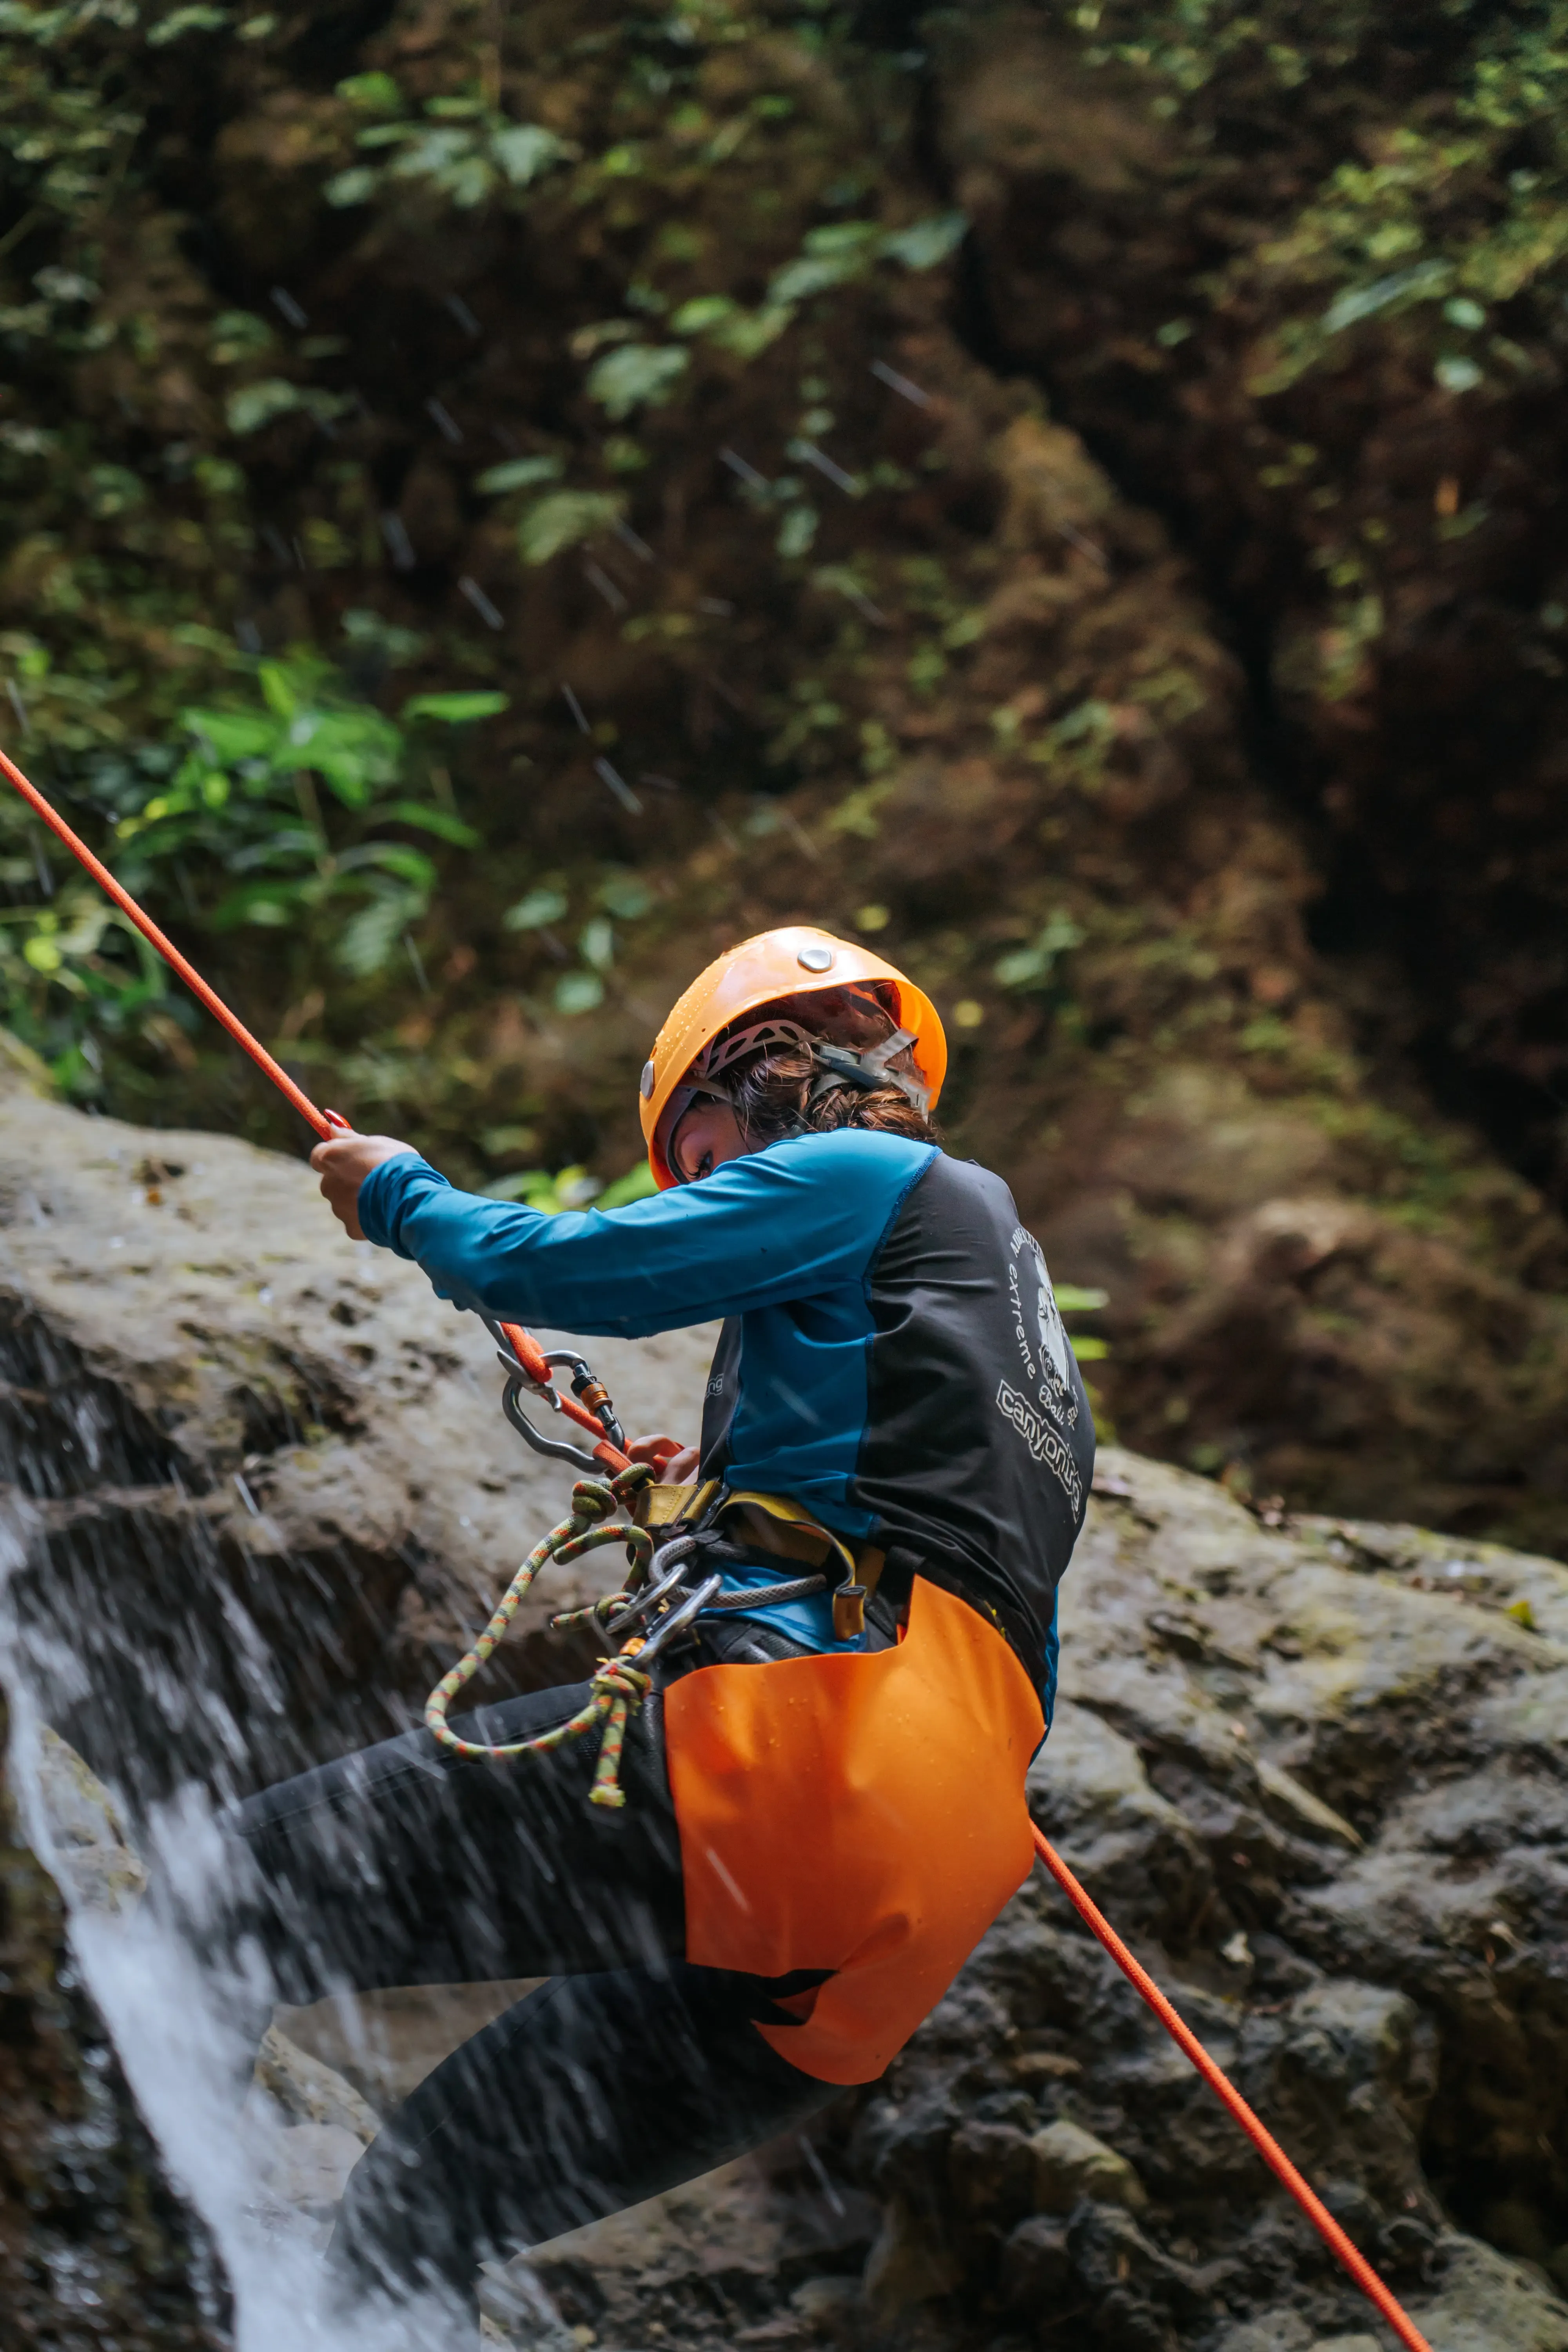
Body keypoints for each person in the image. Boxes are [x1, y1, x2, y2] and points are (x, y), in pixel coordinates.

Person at [208, 926, 1094, 2317]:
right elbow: (919, 1517)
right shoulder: (1022, 1327)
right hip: (903, 1914)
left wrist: (400, 1195)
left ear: (762, 1069)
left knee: (221, 1902)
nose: (721, 1190)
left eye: (706, 1157)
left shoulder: (873, 1173)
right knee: (414, 2219)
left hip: (811, 1754)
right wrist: (733, 1500)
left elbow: (558, 1271)